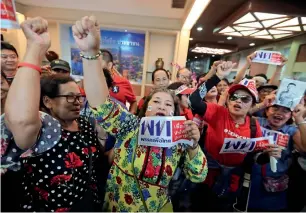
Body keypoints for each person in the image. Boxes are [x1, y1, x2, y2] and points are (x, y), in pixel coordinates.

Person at [72, 15, 208, 212]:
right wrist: (90, 53)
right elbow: (100, 104)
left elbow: (198, 175)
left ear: (174, 113)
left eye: (168, 104)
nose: (162, 106)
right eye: (156, 101)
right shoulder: (130, 126)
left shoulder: (179, 140)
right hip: (118, 206)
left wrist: (194, 146)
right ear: (146, 109)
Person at [2, 17, 104, 212]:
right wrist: (35, 48)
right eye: (69, 97)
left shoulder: (86, 124)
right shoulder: (43, 128)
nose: (77, 103)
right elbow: (22, 120)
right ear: (48, 101)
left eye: (79, 97)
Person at [188, 68, 281, 211]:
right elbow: (194, 101)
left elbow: (256, 158)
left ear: (252, 104)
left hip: (232, 181)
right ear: (228, 100)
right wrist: (217, 77)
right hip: (206, 176)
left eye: (245, 99)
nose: (238, 101)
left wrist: (268, 155)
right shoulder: (218, 112)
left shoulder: (253, 125)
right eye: (234, 97)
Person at [248, 102, 306, 211]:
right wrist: (262, 103)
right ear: (266, 111)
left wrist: (299, 120)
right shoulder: (255, 122)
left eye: (285, 111)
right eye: (275, 108)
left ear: (290, 115)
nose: (279, 113)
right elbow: (238, 115)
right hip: (249, 181)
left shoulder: (291, 130)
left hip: (274, 186)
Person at [100, 49, 138, 114]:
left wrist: (130, 116)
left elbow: (133, 102)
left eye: (98, 64)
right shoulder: (90, 82)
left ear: (109, 65)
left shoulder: (123, 82)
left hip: (117, 122)